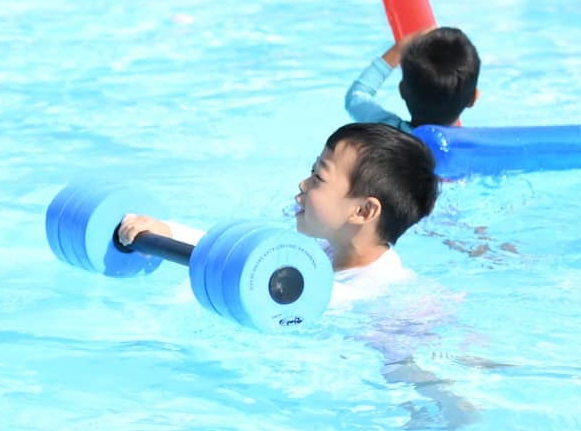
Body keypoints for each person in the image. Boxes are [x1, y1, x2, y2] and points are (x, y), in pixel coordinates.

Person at [117, 123, 441, 305]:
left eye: (319, 178)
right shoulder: (326, 252)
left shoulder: (380, 295)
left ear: (363, 210)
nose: (303, 183)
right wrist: (166, 231)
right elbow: (243, 254)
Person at [345, 25, 481, 130]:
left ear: (401, 90)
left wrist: (397, 50)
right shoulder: (472, 147)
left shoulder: (389, 131)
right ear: (473, 98)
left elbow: (356, 97)